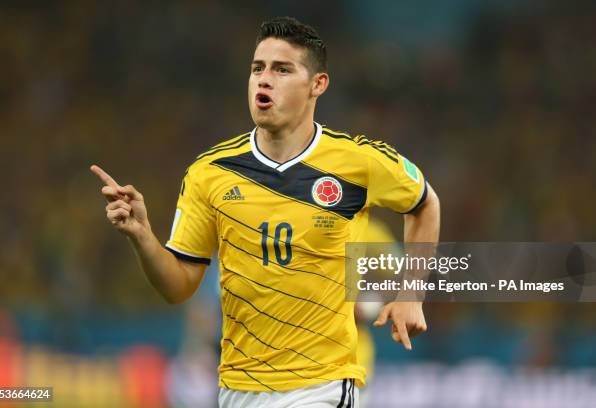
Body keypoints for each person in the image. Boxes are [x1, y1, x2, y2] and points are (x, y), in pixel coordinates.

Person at [91, 16, 440, 408]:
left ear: (317, 85)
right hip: (238, 390)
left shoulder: (358, 162)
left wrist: (411, 292)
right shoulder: (210, 173)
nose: (264, 79)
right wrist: (143, 238)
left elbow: (425, 203)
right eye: (258, 68)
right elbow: (178, 286)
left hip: (322, 386)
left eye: (282, 69)